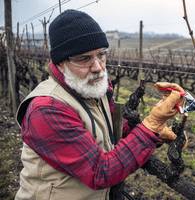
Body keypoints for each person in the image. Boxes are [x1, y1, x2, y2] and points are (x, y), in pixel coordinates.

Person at [15, 9, 186, 200]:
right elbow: (100, 172)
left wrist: (158, 133)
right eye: (84, 58)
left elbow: (116, 132)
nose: (98, 67)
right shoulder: (46, 109)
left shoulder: (93, 89)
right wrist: (152, 123)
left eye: (101, 55)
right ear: (60, 63)